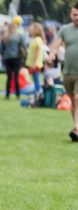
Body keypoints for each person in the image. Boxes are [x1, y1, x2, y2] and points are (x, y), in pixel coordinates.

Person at [49, 3, 78, 141]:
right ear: (70, 15)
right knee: (73, 100)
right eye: (74, 15)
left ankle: (77, 128)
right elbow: (55, 45)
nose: (76, 17)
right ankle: (76, 127)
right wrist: (51, 54)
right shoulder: (65, 29)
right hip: (68, 72)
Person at [0, 22, 26, 99]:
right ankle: (18, 94)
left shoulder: (5, 37)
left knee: (9, 77)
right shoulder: (19, 36)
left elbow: (1, 49)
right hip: (16, 58)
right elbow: (23, 46)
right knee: (16, 76)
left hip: (7, 58)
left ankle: (7, 94)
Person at [26, 22, 46, 103]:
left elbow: (37, 52)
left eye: (31, 29)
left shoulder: (37, 40)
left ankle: (38, 93)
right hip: (34, 63)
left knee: (36, 79)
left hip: (35, 64)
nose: (29, 30)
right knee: (35, 79)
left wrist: (34, 63)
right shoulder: (35, 39)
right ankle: (37, 93)